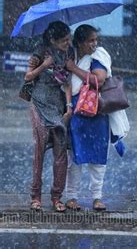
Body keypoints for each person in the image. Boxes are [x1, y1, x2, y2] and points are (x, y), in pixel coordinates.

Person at [24, 21, 73, 212]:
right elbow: (27, 77)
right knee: (40, 151)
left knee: (61, 153)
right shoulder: (39, 51)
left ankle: (56, 196)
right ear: (52, 40)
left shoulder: (67, 54)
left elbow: (67, 83)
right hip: (39, 104)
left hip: (58, 106)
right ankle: (35, 196)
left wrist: (69, 106)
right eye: (64, 40)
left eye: (69, 39)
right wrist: (45, 65)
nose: (68, 43)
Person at [64, 24, 112, 211]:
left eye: (95, 40)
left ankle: (97, 197)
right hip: (77, 112)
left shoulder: (98, 56)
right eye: (90, 40)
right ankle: (72, 196)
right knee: (74, 155)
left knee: (98, 156)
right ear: (79, 42)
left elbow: (98, 80)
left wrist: (74, 68)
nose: (94, 44)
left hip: (97, 112)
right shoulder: (71, 55)